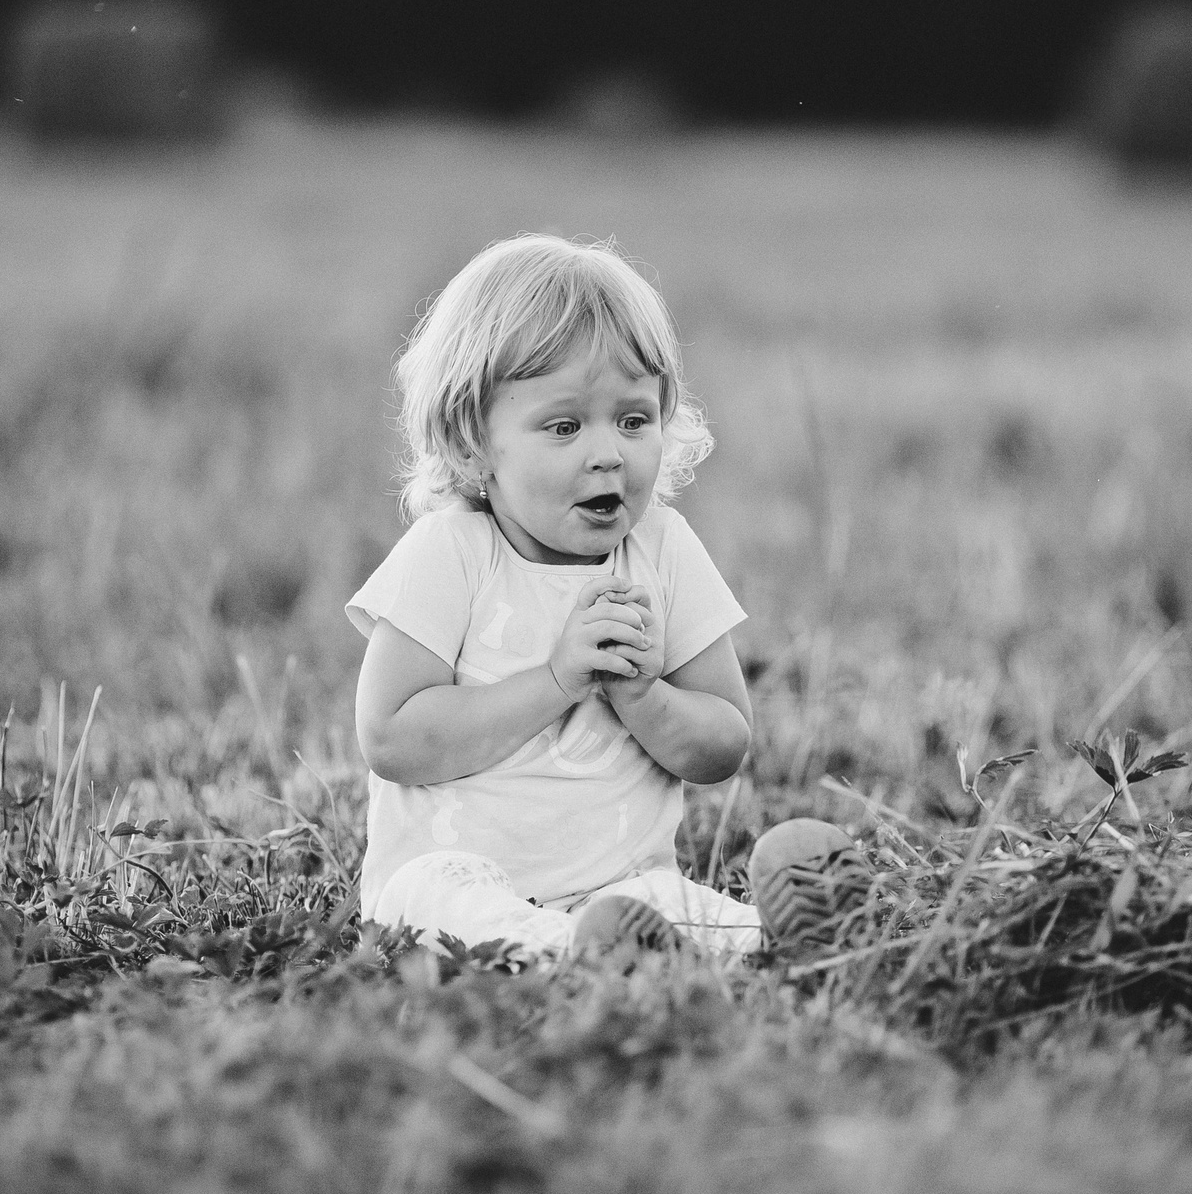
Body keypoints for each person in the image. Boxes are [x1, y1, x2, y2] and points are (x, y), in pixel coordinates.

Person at [347, 232, 860, 960]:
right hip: (454, 876)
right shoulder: (450, 552)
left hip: (619, 886)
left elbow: (723, 744)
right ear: (471, 442)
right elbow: (392, 738)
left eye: (633, 419)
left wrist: (644, 695)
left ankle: (778, 933)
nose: (608, 453)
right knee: (432, 891)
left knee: (662, 901)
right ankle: (568, 951)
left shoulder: (663, 550)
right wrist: (558, 680)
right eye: (564, 426)